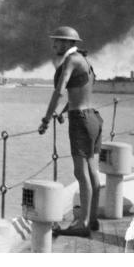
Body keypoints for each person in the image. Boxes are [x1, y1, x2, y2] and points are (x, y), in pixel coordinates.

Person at [39, 26, 102, 237]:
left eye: (57, 41)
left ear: (68, 43)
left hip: (81, 121)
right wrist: (64, 111)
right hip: (93, 117)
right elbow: (80, 90)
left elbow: (59, 91)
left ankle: (82, 224)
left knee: (80, 173)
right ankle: (92, 220)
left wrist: (46, 120)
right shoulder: (85, 61)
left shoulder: (71, 60)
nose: (54, 44)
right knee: (92, 171)